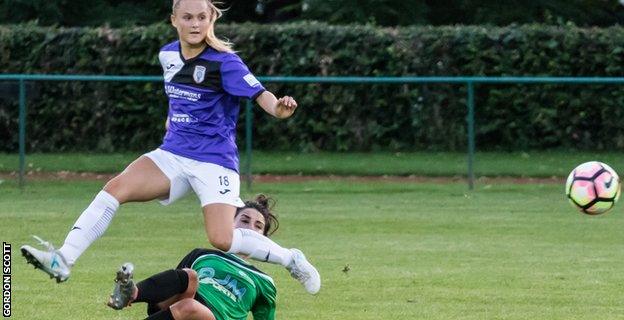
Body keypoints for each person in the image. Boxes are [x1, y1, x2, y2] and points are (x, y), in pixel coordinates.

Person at [20, 0, 320, 294]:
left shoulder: (225, 62)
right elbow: (178, 98)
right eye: (187, 17)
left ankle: (291, 258)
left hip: (214, 161)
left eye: (202, 17)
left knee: (221, 239)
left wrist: (279, 109)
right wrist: (172, 122)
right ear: (174, 20)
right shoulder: (168, 55)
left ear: (211, 19)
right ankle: (63, 259)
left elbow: (261, 95)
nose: (195, 24)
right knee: (114, 190)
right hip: (173, 153)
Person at [107, 195, 283, 320]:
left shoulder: (264, 281)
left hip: (214, 316)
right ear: (230, 223)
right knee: (190, 276)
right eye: (244, 220)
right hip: (181, 311)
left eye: (258, 226)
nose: (250, 228)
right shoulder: (202, 255)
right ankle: (130, 293)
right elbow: (169, 289)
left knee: (190, 307)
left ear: (264, 240)